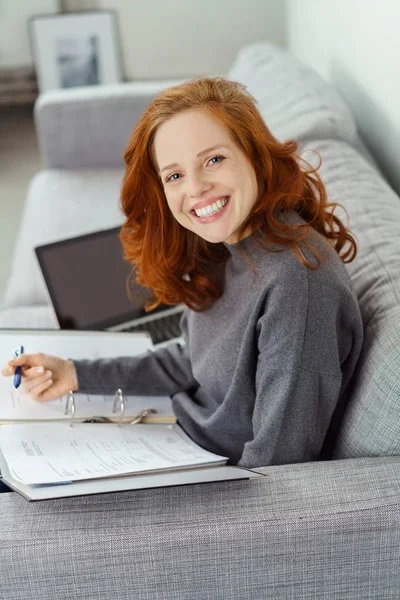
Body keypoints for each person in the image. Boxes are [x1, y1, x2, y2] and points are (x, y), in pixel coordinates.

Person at [2, 77, 364, 468]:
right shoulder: (228, 244)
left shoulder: (297, 284)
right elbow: (189, 361)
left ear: (256, 157)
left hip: (208, 473)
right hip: (170, 436)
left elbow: (281, 461)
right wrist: (75, 373)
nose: (196, 189)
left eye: (213, 159)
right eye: (174, 175)